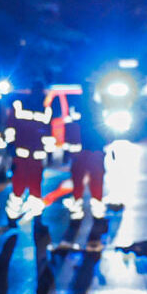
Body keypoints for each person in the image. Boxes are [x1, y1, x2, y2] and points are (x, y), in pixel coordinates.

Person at [2, 88, 54, 225]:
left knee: (20, 188)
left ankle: (14, 217)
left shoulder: (19, 108)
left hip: (23, 157)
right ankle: (35, 218)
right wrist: (49, 154)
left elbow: (10, 128)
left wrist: (10, 146)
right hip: (32, 158)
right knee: (33, 188)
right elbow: (48, 134)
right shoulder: (44, 111)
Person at [64, 82, 112, 225]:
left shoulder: (82, 107)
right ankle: (93, 215)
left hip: (88, 152)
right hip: (89, 152)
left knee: (86, 183)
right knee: (90, 183)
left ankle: (84, 214)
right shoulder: (95, 107)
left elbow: (103, 129)